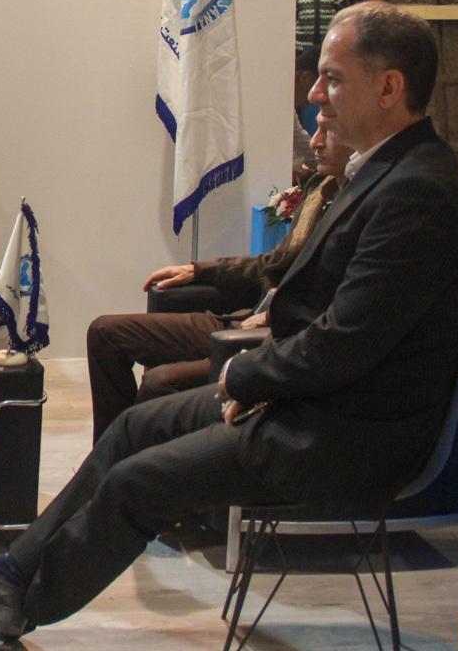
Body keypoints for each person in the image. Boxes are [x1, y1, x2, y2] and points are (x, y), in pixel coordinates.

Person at [0, 2, 458, 640]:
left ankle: (22, 601)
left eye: (332, 78)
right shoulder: (389, 174)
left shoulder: (418, 192)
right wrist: (251, 373)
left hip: (347, 434)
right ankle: (11, 573)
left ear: (389, 87)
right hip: (315, 402)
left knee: (139, 481)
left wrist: (243, 377)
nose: (315, 94)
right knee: (133, 427)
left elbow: (343, 343)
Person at [86, 124, 350, 441]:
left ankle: (132, 460)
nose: (315, 142)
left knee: (160, 382)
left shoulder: (361, 210)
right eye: (317, 128)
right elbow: (272, 262)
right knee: (105, 333)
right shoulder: (319, 191)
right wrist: (200, 270)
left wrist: (273, 314)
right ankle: (108, 455)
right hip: (242, 319)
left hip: (274, 337)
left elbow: (334, 307)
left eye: (328, 131)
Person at [292, 45, 320, 182]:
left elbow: (301, 140)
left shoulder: (288, 110)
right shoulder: (272, 105)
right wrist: (302, 174)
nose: (315, 100)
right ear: (306, 79)